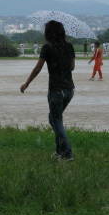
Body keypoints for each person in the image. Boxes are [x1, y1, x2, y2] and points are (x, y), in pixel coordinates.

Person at [20, 20, 76, 161]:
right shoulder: (69, 46)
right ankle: (58, 151)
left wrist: (27, 83)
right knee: (54, 119)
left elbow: (38, 68)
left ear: (48, 33)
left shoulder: (47, 48)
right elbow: (72, 67)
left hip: (56, 90)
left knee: (56, 121)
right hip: (69, 90)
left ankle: (67, 154)